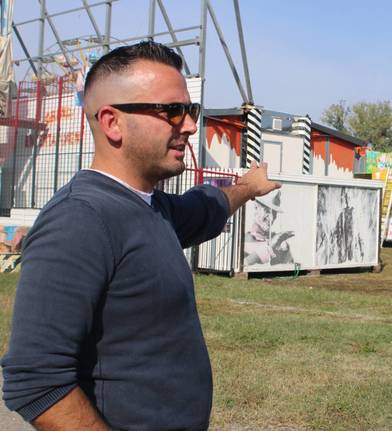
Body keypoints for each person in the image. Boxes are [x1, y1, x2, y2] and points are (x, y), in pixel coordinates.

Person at [1, 41, 280, 431]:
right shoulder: (81, 220)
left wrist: (248, 188)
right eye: (172, 111)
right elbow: (36, 382)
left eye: (190, 110)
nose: (189, 124)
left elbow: (207, 206)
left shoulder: (152, 209)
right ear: (113, 122)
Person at [243, 190, 294, 266]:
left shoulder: (281, 243)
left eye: (274, 213)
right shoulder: (243, 240)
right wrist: (270, 246)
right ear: (256, 208)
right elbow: (242, 265)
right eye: (267, 211)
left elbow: (290, 268)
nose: (272, 218)